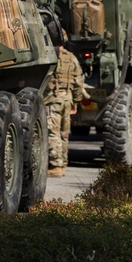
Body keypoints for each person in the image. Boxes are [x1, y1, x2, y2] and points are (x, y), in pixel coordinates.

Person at [44, 35, 87, 178]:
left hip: (53, 100)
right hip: (67, 99)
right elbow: (78, 82)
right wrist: (76, 101)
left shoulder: (50, 55)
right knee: (63, 133)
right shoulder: (71, 57)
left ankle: (56, 165)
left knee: (53, 132)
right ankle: (62, 164)